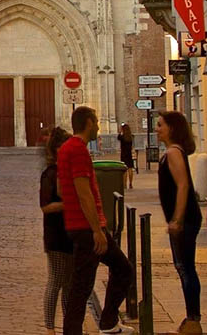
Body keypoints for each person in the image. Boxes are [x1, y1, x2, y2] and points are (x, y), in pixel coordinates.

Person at [59, 106, 135, 335]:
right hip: (86, 227)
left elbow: (62, 189)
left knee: (87, 283)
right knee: (87, 285)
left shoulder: (66, 149)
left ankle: (107, 323)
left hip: (77, 225)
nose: (99, 127)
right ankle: (102, 324)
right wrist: (96, 230)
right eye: (97, 122)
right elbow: (84, 193)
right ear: (89, 123)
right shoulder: (78, 151)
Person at [157, 111, 202, 335]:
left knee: (186, 268)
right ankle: (192, 318)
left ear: (172, 129)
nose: (157, 129)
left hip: (186, 219)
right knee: (184, 267)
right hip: (186, 218)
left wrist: (177, 219)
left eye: (160, 125)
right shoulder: (172, 152)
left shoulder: (174, 152)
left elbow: (183, 185)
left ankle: (193, 319)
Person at [40, 127, 74, 335]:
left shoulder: (65, 170)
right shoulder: (50, 174)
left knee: (68, 283)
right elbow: (45, 206)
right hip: (56, 234)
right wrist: (70, 204)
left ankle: (69, 326)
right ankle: (50, 328)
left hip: (71, 233)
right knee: (56, 281)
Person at [119, 123, 136, 190]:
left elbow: (118, 137)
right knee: (130, 168)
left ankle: (125, 184)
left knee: (124, 170)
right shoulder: (131, 137)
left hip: (123, 154)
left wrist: (120, 132)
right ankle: (130, 183)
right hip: (129, 154)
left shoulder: (122, 137)